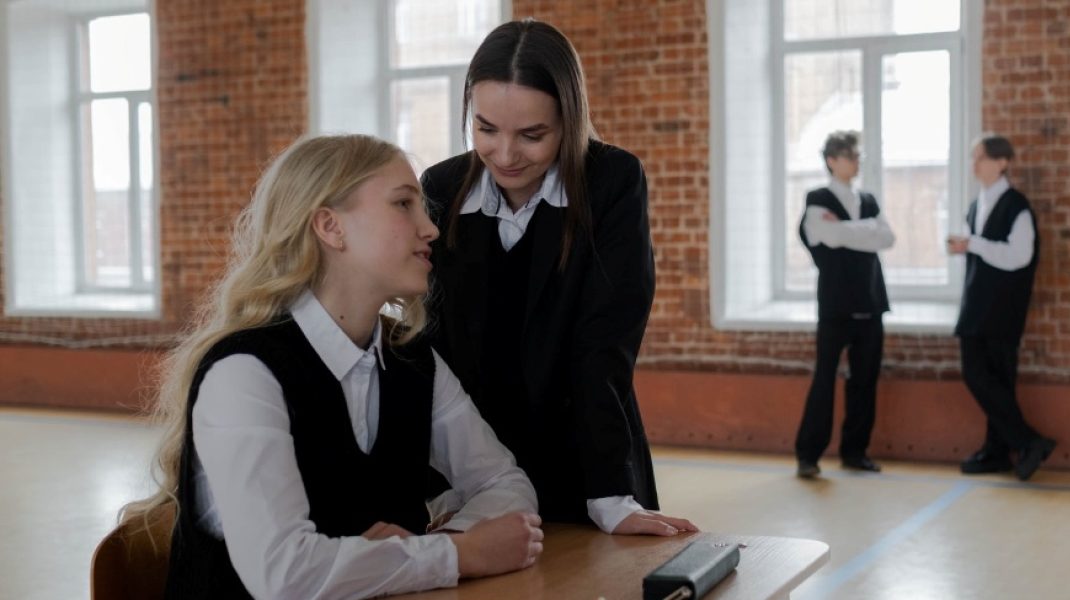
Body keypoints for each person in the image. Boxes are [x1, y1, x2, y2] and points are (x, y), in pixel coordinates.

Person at [120, 134, 543, 599]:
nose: (431, 230)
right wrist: (463, 556)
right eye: (404, 204)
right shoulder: (243, 373)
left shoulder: (415, 361)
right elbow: (284, 576)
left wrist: (439, 544)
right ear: (330, 227)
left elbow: (503, 482)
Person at [420, 19, 695, 537]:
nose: (505, 154)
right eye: (486, 129)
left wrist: (611, 495)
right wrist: (445, 485)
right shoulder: (441, 186)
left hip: (587, 456)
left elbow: (604, 344)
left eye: (532, 135)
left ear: (569, 119)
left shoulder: (612, 182)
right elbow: (435, 349)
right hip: (473, 465)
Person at [947, 133, 1056, 481]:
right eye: (973, 157)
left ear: (1002, 162)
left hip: (1003, 309)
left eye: (980, 157)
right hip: (976, 305)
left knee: (995, 379)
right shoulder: (975, 206)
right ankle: (1004, 449)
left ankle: (1022, 444)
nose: (974, 164)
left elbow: (1019, 256)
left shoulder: (1017, 207)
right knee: (981, 376)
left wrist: (975, 244)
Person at [793, 131, 895, 479]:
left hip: (871, 302)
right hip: (835, 305)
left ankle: (856, 452)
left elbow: (887, 237)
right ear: (832, 161)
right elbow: (826, 235)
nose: (855, 162)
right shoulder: (817, 197)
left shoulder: (868, 198)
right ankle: (809, 455)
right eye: (849, 156)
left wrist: (851, 231)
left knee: (864, 381)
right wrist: (864, 232)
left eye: (857, 156)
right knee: (824, 380)